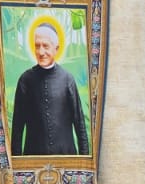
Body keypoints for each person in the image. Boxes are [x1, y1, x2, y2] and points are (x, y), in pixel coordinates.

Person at [9, 20, 88, 157]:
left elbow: (79, 124)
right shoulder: (25, 81)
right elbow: (17, 128)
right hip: (34, 160)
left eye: (45, 46)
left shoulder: (67, 80)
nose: (41, 52)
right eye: (37, 46)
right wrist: (17, 165)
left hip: (66, 159)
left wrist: (84, 164)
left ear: (56, 48)